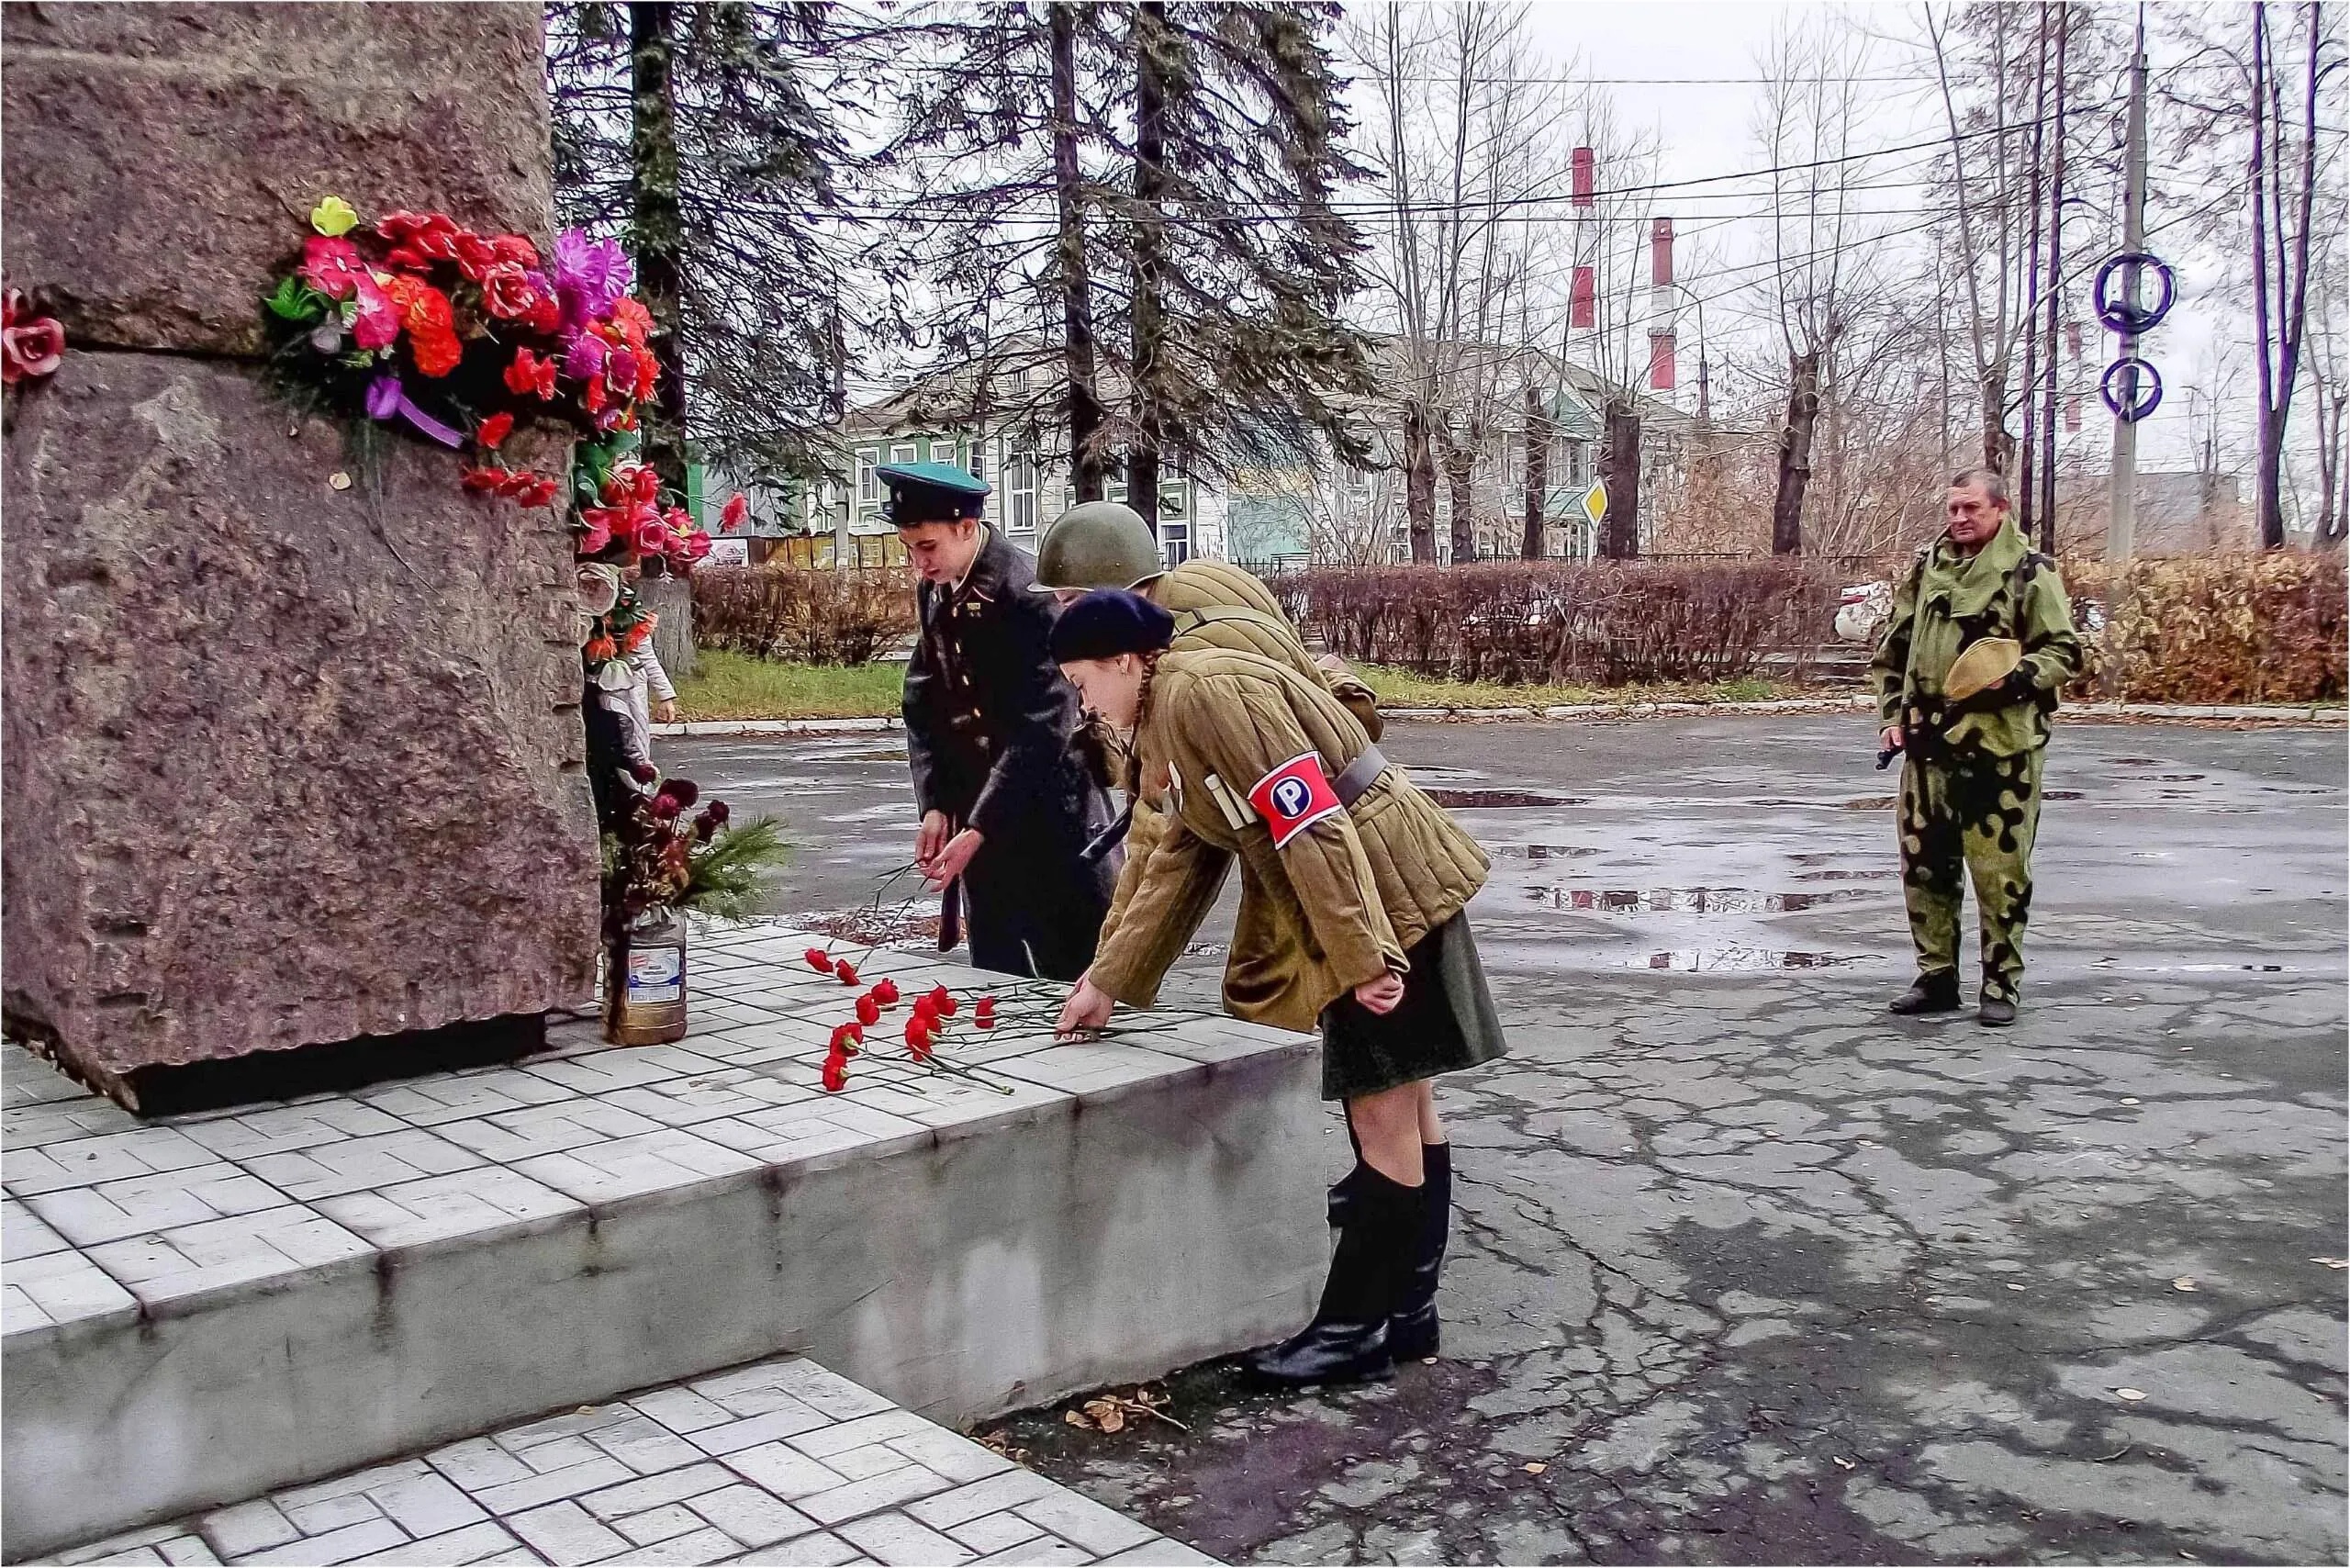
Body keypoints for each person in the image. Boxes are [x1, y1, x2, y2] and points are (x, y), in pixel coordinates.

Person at [1048, 589, 1505, 1387]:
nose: (1083, 702)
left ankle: (1354, 1330)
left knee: (1383, 1111)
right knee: (1410, 1101)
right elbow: (1183, 857)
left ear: (1125, 661)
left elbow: (1308, 818)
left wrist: (1364, 957)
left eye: (1084, 682)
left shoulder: (1207, 694)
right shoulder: (1169, 713)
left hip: (1378, 894)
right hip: (1368, 897)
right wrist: (1108, 983)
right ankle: (1407, 1315)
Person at [891, 462, 1118, 980]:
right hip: (981, 822)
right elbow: (925, 702)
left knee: (1076, 977)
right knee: (995, 983)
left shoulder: (1030, 593)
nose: (918, 563)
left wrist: (977, 826)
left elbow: (1047, 725)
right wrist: (936, 804)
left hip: (1053, 824)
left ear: (967, 528)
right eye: (910, 549)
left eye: (927, 547)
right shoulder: (938, 586)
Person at [1873, 468, 2083, 1026]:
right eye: (1953, 509)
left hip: (2000, 749)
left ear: (2000, 509)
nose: (1960, 519)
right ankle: (1937, 975)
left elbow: (2064, 651)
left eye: (1972, 509)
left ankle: (2001, 984)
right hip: (1925, 745)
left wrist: (2010, 681)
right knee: (1925, 868)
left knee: (1999, 872)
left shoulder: (2029, 572)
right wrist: (1892, 717)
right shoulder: (1928, 568)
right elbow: (1892, 653)